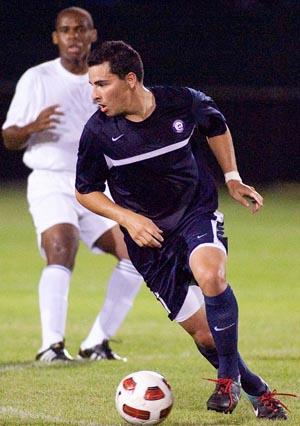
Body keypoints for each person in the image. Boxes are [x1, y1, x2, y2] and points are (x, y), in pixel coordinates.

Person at [75, 40, 296, 419]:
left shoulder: (182, 102)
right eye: (91, 85)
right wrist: (127, 218)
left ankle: (227, 381)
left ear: (130, 80)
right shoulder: (98, 132)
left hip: (194, 215)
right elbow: (85, 192)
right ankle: (258, 391)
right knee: (206, 336)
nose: (94, 94)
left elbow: (216, 125)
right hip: (149, 242)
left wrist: (232, 177)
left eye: (101, 84)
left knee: (211, 274)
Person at [2, 9, 143, 362]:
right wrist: (32, 126)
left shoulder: (104, 79)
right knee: (62, 245)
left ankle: (97, 342)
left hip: (95, 185)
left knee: (136, 252)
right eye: (66, 30)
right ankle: (51, 345)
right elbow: (8, 137)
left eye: (80, 29)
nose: (74, 36)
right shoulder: (37, 78)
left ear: (93, 34)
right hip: (51, 180)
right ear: (56, 38)